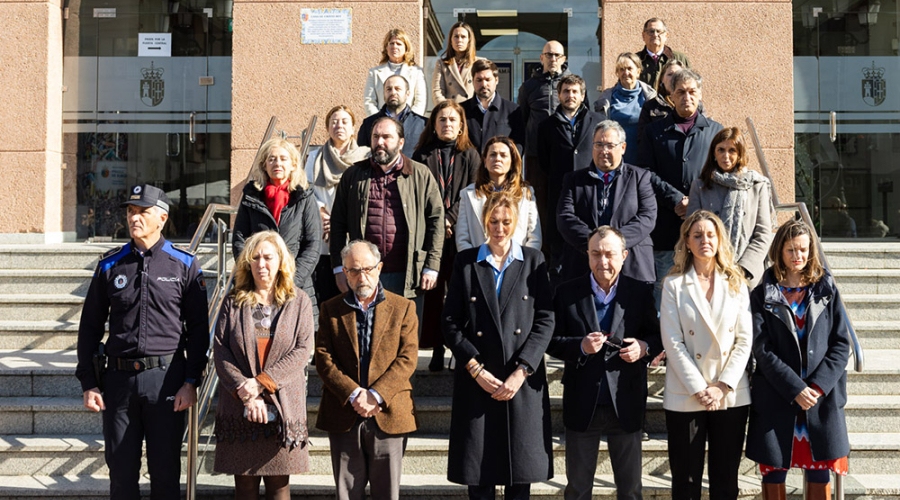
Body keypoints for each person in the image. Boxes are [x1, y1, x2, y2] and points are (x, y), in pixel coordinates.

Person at [75, 184, 209, 499]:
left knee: (164, 476)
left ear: (162, 218)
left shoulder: (185, 264)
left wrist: (191, 381)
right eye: (131, 211)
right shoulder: (109, 264)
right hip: (118, 382)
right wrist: (89, 383)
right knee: (121, 476)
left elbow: (199, 329)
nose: (135, 218)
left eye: (143, 212)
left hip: (166, 383)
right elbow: (90, 327)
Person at [442, 191, 555, 500]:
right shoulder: (467, 262)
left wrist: (522, 370)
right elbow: (450, 322)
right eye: (493, 221)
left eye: (506, 222)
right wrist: (474, 367)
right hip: (479, 379)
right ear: (484, 221)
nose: (500, 228)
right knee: (479, 479)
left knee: (519, 479)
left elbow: (545, 319)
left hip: (521, 380)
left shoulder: (534, 260)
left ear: (515, 222)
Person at [547, 226, 662, 500]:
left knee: (631, 489)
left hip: (626, 401)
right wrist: (580, 347)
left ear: (623, 255)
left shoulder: (640, 291)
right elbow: (551, 340)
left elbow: (657, 335)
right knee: (577, 489)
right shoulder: (566, 292)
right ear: (587, 256)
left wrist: (644, 348)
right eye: (596, 254)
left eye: (609, 254)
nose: (603, 262)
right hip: (582, 401)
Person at [746, 219, 850, 500]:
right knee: (774, 471)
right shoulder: (762, 294)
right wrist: (796, 389)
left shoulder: (825, 288)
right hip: (778, 397)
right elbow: (762, 349)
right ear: (779, 251)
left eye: (803, 249)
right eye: (791, 250)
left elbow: (842, 343)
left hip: (820, 399)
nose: (798, 256)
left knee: (818, 472)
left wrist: (816, 388)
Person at [213, 231, 314, 500]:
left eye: (268, 257)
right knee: (244, 486)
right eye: (255, 258)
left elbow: (303, 350)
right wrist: (247, 394)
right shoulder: (234, 300)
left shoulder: (299, 300)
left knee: (279, 486)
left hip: (283, 406)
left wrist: (260, 384)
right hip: (241, 405)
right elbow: (221, 351)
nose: (261, 264)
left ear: (281, 261)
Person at [659, 210, 752, 500]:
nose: (704, 241)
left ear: (719, 239)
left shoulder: (736, 281)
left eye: (710, 234)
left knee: (725, 480)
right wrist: (701, 389)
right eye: (697, 235)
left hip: (730, 394)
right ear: (686, 241)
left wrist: (722, 386)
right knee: (686, 482)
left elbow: (744, 339)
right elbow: (673, 342)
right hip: (687, 394)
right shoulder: (673, 285)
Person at [316, 240, 419, 500]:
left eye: (368, 269)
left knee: (387, 495)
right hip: (343, 414)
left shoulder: (404, 308)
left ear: (380, 268)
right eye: (353, 270)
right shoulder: (330, 309)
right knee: (347, 495)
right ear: (344, 272)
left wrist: (375, 395)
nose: (362, 276)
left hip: (389, 414)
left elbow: (407, 358)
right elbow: (323, 359)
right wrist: (354, 394)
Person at [329, 116, 444, 312]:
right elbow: (338, 224)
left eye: (386, 137)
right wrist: (339, 268)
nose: (380, 142)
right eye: (375, 137)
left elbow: (436, 222)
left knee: (405, 339)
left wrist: (431, 266)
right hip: (363, 275)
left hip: (407, 274)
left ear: (401, 143)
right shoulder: (353, 175)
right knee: (366, 338)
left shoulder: (420, 174)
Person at [635, 69, 723, 307]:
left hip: (704, 227)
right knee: (664, 290)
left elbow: (722, 175)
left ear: (700, 94)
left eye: (692, 91)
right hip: (665, 226)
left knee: (702, 292)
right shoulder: (655, 131)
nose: (687, 97)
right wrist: (674, 198)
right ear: (671, 95)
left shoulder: (716, 132)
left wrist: (694, 201)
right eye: (681, 92)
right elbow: (644, 171)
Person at [412, 99, 481, 371]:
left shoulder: (471, 155)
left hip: (460, 232)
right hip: (430, 234)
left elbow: (473, 191)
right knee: (432, 293)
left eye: (453, 120)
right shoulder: (421, 155)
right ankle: (436, 347)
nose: (447, 124)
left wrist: (449, 219)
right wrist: (439, 222)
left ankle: (460, 347)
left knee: (459, 292)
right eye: (442, 120)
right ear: (434, 124)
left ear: (461, 124)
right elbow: (418, 193)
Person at [234, 138, 322, 328]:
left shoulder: (304, 196)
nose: (278, 163)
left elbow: (313, 244)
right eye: (272, 159)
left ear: (293, 165)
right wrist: (255, 274)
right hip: (258, 288)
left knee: (295, 347)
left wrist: (289, 281)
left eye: (283, 158)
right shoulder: (251, 195)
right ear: (264, 164)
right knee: (260, 343)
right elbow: (239, 239)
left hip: (295, 287)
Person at [557, 121, 657, 284]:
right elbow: (565, 218)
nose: (603, 151)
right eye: (599, 144)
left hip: (632, 265)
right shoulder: (574, 180)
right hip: (583, 264)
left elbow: (647, 217)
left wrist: (615, 244)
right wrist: (594, 245)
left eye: (610, 145)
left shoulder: (640, 178)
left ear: (623, 148)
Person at [686, 127, 774, 288]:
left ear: (740, 153)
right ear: (714, 153)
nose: (726, 156)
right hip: (709, 273)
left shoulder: (757, 185)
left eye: (732, 150)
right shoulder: (700, 186)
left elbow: (763, 233)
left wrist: (742, 269)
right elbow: (692, 232)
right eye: (721, 150)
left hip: (746, 276)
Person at [536, 74, 602, 271]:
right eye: (566, 91)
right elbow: (544, 162)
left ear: (582, 95)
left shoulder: (598, 121)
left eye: (575, 92)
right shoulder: (546, 126)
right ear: (559, 95)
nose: (570, 95)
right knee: (560, 262)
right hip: (560, 196)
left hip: (591, 194)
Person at [309, 105, 371, 304]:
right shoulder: (314, 157)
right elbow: (305, 189)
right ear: (327, 128)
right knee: (326, 297)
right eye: (333, 122)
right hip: (323, 232)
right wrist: (320, 212)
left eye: (344, 121)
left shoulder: (365, 156)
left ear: (353, 127)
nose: (339, 126)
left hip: (353, 231)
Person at [517, 40, 573, 233]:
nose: (553, 59)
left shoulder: (571, 85)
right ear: (541, 58)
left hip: (565, 155)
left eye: (557, 55)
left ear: (563, 59)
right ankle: (542, 254)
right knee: (539, 205)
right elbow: (521, 123)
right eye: (549, 55)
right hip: (536, 157)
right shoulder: (529, 87)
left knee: (564, 203)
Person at [456, 136, 541, 251]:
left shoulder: (526, 194)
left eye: (503, 155)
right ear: (485, 161)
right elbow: (462, 240)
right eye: (492, 154)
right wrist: (476, 264)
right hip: (478, 263)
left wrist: (523, 263)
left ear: (512, 162)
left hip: (518, 264)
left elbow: (534, 238)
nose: (497, 159)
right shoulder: (468, 194)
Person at [595, 52, 657, 164]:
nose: (626, 73)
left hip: (644, 160)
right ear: (617, 73)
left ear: (638, 72)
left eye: (630, 68)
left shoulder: (651, 97)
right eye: (622, 69)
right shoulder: (606, 98)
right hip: (613, 160)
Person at [461, 59, 526, 154]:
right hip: (469, 168)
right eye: (479, 80)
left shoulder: (513, 110)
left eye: (488, 80)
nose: (483, 84)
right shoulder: (461, 110)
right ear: (473, 81)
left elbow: (519, 144)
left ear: (496, 80)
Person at [358, 75, 427, 158]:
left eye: (397, 89)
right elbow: (361, 157)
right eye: (389, 89)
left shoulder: (423, 124)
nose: (393, 92)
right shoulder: (368, 124)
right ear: (384, 94)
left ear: (407, 94)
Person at [363, 28, 427, 116]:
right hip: (382, 124)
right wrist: (379, 121)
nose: (394, 47)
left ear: (406, 48)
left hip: (408, 125)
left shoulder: (416, 72)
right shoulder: (374, 73)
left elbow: (420, 101)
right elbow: (369, 101)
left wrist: (411, 121)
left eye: (399, 44)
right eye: (391, 44)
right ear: (386, 48)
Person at [636, 59, 692, 143]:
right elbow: (643, 140)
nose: (673, 78)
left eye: (677, 74)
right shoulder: (650, 107)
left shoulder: (694, 105)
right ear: (662, 79)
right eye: (670, 74)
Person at [432, 21, 479, 105]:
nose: (459, 40)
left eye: (463, 37)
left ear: (469, 40)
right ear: (451, 40)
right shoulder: (441, 63)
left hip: (472, 113)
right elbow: (437, 92)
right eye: (456, 36)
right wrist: (448, 110)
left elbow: (483, 90)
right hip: (450, 113)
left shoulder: (478, 63)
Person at [636, 18, 690, 90]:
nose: (655, 35)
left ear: (666, 35)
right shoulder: (634, 60)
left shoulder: (680, 58)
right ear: (643, 36)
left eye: (659, 31)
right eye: (651, 31)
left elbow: (690, 85)